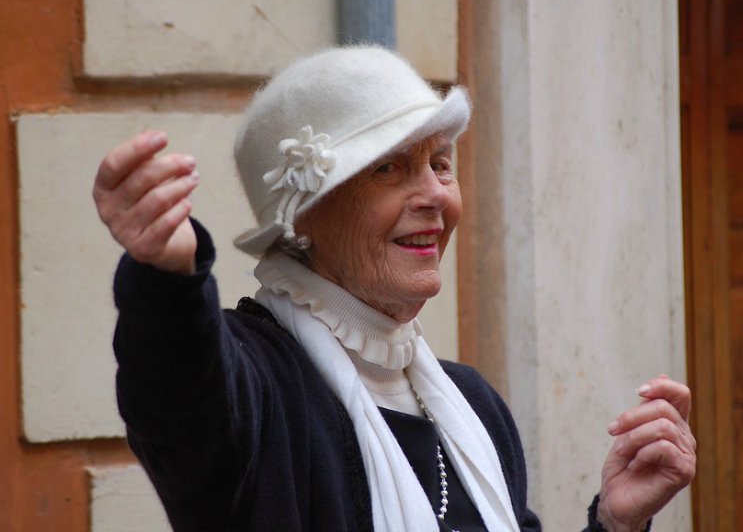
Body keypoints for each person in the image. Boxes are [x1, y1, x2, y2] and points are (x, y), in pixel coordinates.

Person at [93, 46, 695, 532]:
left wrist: (615, 524)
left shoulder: (473, 404)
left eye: (440, 163)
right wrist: (167, 276)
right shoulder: (258, 383)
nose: (434, 195)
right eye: (388, 167)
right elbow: (179, 393)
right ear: (302, 217)